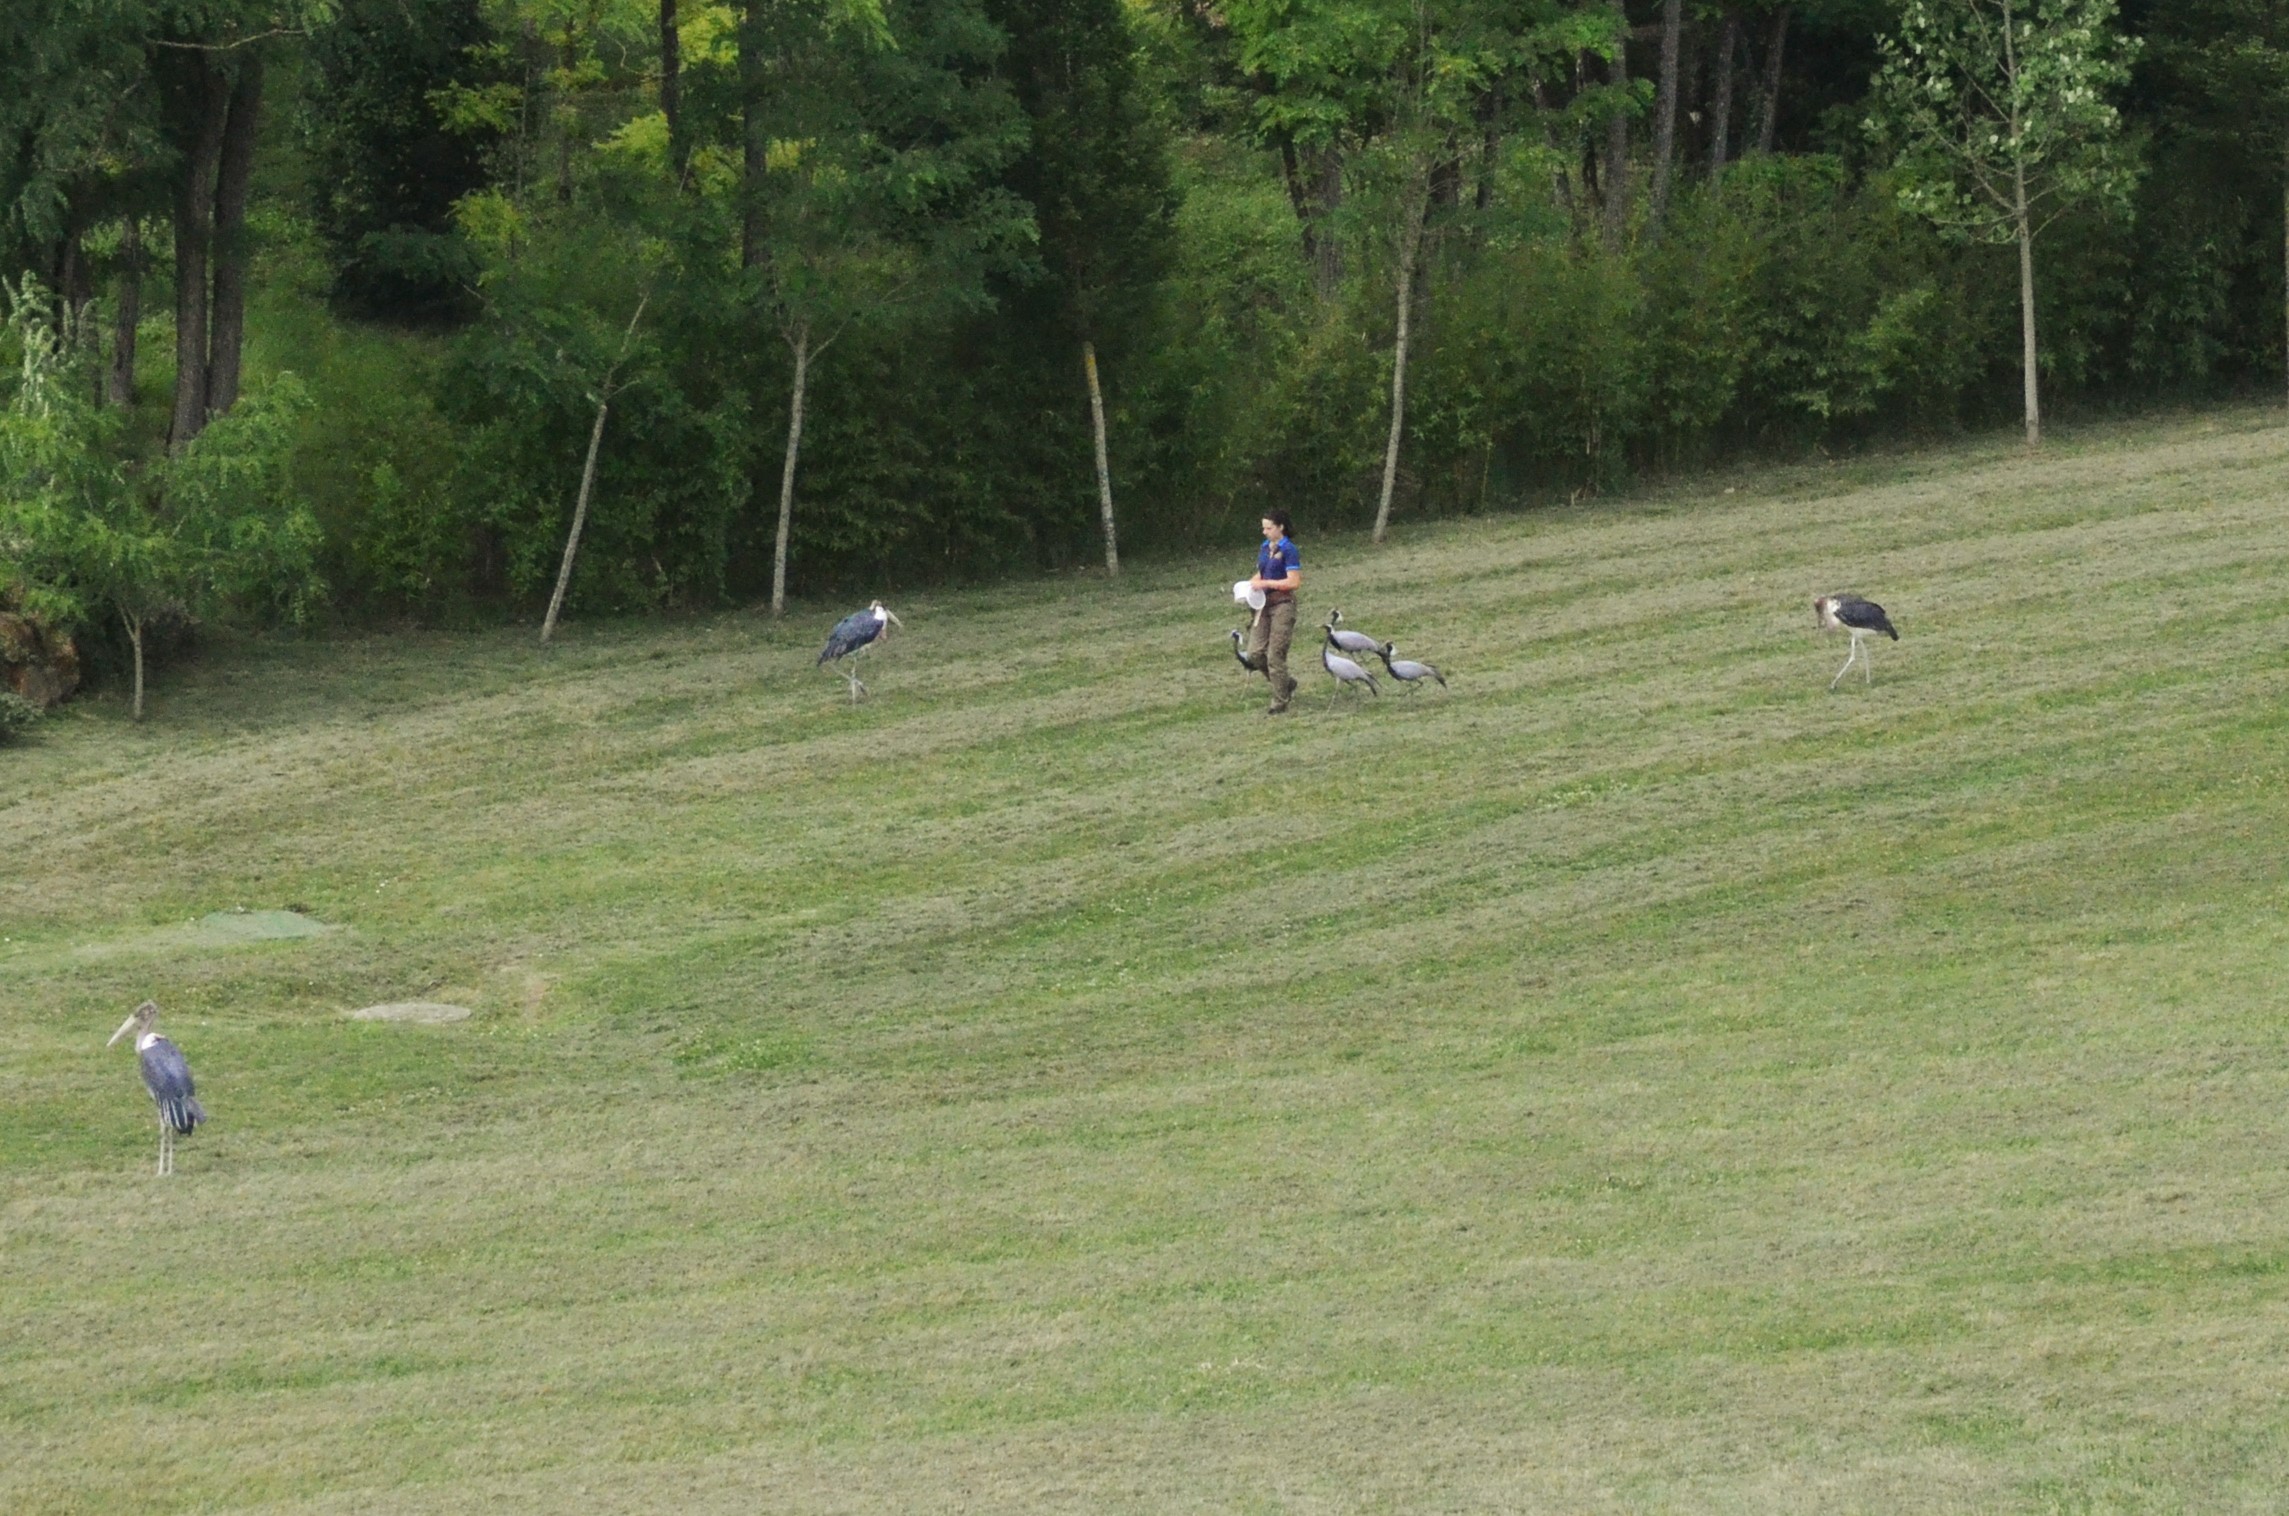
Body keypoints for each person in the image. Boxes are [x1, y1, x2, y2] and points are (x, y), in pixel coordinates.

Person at [1244, 510, 1303, 713]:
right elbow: (1262, 571)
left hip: (1282, 605)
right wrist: (1249, 585)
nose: (1265, 532)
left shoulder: (1289, 550)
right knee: (1254, 652)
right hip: (1262, 604)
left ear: (1281, 527)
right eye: (1263, 528)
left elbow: (1293, 581)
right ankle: (1286, 683)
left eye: (1269, 528)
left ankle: (1279, 702)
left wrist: (1267, 583)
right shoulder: (1264, 548)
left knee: (1275, 655)